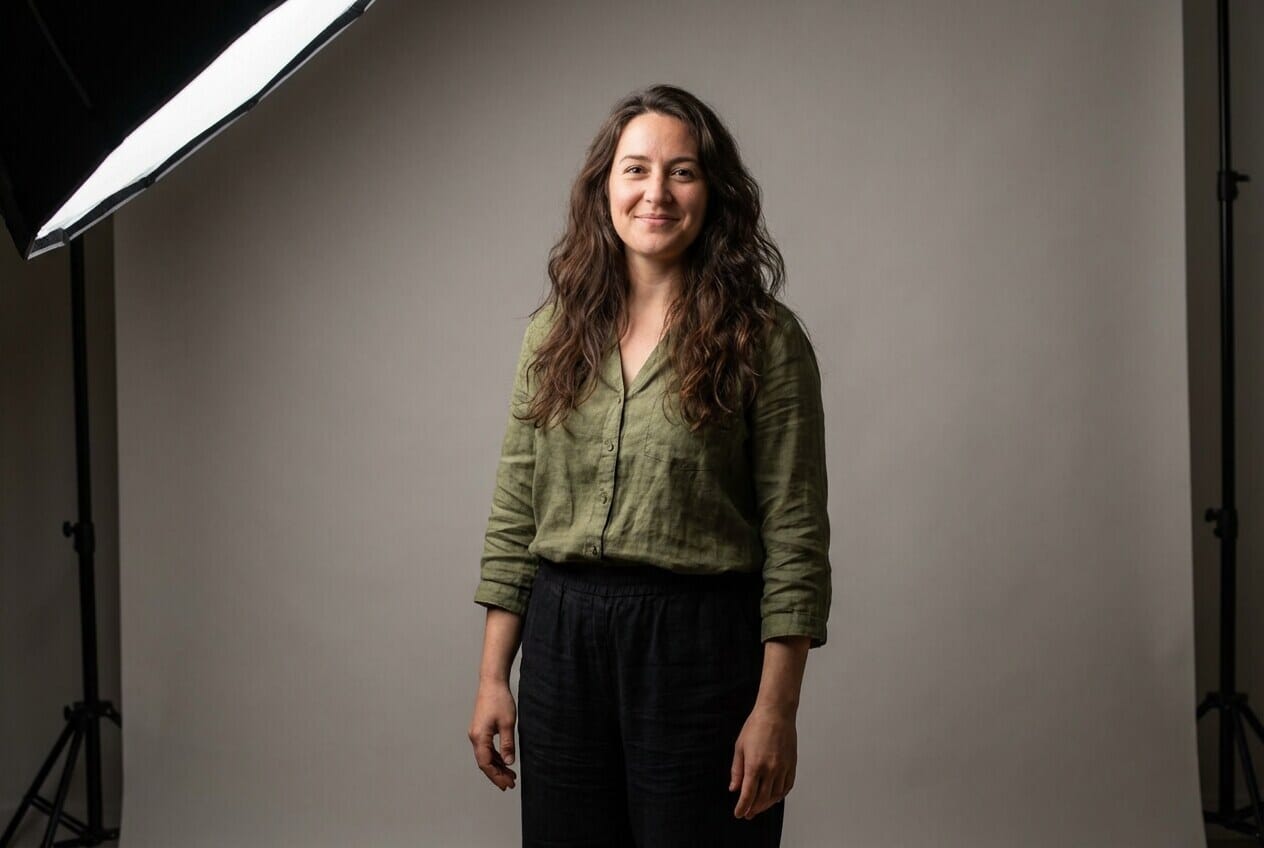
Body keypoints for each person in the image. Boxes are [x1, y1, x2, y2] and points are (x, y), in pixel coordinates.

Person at [467, 83, 831, 848]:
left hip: (700, 648)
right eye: (635, 169)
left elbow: (795, 539)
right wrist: (494, 676)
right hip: (562, 645)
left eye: (682, 172)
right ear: (604, 188)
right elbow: (515, 513)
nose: (656, 193)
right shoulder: (552, 335)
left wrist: (777, 710)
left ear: (713, 191)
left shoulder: (765, 340)